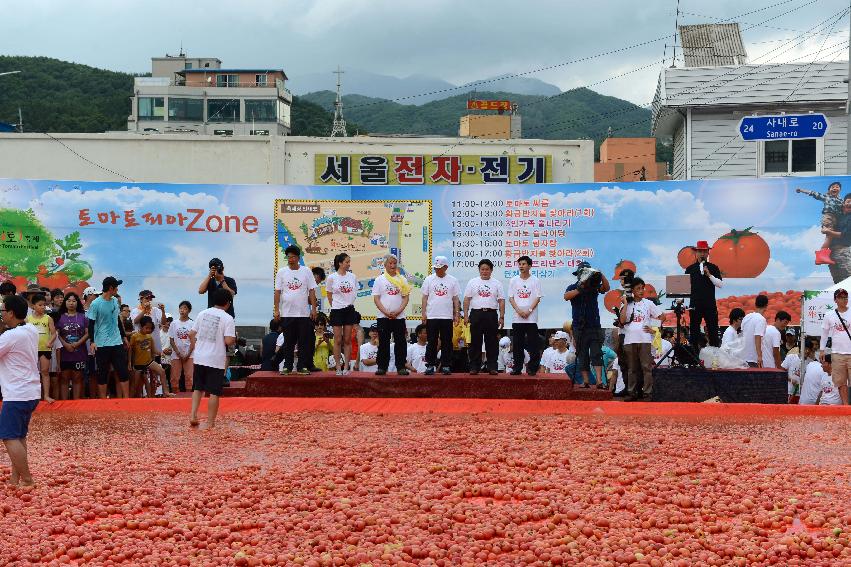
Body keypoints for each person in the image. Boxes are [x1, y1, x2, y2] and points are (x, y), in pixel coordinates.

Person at [0, 295, 41, 487]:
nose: (1, 314)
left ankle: (27, 479)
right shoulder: (30, 329)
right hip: (31, 392)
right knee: (19, 436)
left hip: (17, 393)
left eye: (3, 310)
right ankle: (15, 478)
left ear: (10, 313)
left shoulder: (10, 336)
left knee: (8, 437)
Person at [188, 289, 235, 428]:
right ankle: (210, 422)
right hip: (215, 359)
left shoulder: (202, 313)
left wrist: (196, 347)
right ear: (228, 303)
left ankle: (193, 415)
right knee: (214, 392)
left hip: (200, 357)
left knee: (198, 388)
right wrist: (234, 338)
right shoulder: (228, 318)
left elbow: (191, 334)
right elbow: (228, 341)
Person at [563, 261, 611, 387]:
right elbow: (566, 296)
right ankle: (586, 381)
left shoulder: (594, 286)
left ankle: (599, 381)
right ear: (578, 274)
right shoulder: (573, 287)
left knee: (596, 354)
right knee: (582, 355)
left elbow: (606, 288)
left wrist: (601, 275)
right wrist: (580, 287)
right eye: (582, 273)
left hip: (594, 326)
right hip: (579, 327)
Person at [274, 245, 318, 375]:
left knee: (303, 341)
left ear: (298, 258)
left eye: (293, 257)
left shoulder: (306, 271)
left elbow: (311, 291)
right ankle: (287, 366)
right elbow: (277, 292)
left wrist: (314, 309)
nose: (290, 259)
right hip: (287, 313)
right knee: (288, 341)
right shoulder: (282, 272)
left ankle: (301, 366)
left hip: (303, 313)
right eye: (288, 257)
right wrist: (277, 310)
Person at [619, 278, 664, 400]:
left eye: (642, 288)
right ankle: (632, 393)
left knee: (646, 368)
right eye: (638, 288)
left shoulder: (648, 303)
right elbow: (622, 321)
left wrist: (653, 328)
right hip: (629, 339)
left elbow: (662, 317)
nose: (641, 291)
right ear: (632, 290)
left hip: (645, 339)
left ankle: (647, 393)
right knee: (632, 368)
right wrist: (625, 303)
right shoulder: (626, 303)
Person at [87, 276, 130, 399]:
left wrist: (124, 337)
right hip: (101, 343)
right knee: (103, 372)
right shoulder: (96, 304)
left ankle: (127, 399)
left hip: (116, 342)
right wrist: (92, 341)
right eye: (116, 287)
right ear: (111, 288)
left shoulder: (115, 301)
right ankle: (102, 401)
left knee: (122, 370)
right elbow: (91, 323)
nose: (117, 289)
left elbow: (117, 319)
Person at [463, 259, 505, 375]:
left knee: (491, 341)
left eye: (487, 269)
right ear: (479, 270)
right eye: (482, 269)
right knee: (475, 341)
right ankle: (474, 366)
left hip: (491, 314)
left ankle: (492, 366)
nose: (484, 271)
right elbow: (466, 299)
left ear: (491, 270)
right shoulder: (472, 282)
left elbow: (501, 301)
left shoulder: (497, 283)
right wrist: (465, 315)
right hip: (476, 314)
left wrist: (501, 316)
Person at [372, 254, 411, 376]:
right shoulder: (380, 279)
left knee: (400, 342)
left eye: (395, 263)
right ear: (385, 265)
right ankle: (382, 367)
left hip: (399, 317)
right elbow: (377, 298)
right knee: (383, 342)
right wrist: (385, 312)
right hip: (383, 317)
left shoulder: (402, 280)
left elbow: (405, 298)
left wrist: (398, 311)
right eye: (390, 263)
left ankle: (401, 367)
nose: (393, 265)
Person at [421, 256, 460, 376]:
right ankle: (430, 365)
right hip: (432, 315)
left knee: (447, 341)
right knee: (432, 341)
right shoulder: (429, 279)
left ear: (446, 267)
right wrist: (423, 313)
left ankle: (446, 365)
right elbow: (424, 297)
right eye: (435, 268)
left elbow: (455, 298)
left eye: (439, 268)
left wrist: (457, 314)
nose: (437, 270)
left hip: (446, 316)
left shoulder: (452, 280)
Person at [507, 255, 543, 376]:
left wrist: (529, 310)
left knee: (533, 343)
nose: (521, 266)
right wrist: (518, 311)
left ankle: (532, 368)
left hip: (531, 318)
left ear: (529, 265)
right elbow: (511, 298)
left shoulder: (535, 280)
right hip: (517, 318)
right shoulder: (513, 280)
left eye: (524, 264)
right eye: (520, 264)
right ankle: (517, 368)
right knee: (517, 344)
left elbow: (538, 297)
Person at [684, 240, 723, 348]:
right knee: (694, 331)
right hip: (695, 304)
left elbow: (720, 284)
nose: (702, 254)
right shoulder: (690, 269)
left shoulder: (713, 267)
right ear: (696, 253)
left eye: (704, 251)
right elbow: (684, 287)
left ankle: (715, 355)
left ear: (708, 253)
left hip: (709, 304)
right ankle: (694, 356)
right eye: (700, 251)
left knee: (713, 330)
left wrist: (709, 274)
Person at [326, 253, 359, 376]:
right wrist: (335, 305)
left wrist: (348, 302)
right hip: (337, 310)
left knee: (347, 339)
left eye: (349, 262)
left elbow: (355, 291)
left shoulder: (353, 277)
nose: (348, 264)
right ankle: (338, 367)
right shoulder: (332, 278)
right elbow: (329, 294)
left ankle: (346, 367)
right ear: (340, 263)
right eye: (346, 262)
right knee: (338, 339)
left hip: (349, 310)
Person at [796, 182, 842, 264]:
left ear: (839, 190)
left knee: (833, 237)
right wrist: (801, 190)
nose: (835, 188)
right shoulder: (826, 197)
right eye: (833, 187)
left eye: (837, 187)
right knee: (829, 236)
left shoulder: (841, 200)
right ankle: (821, 256)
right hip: (828, 217)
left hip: (837, 220)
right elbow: (813, 193)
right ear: (829, 190)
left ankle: (824, 255)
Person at [819, 287, 851, 405]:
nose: (844, 299)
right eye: (841, 297)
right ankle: (846, 406)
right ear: (835, 300)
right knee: (840, 381)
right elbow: (824, 333)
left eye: (845, 297)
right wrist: (822, 350)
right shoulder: (829, 315)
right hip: (837, 353)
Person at [56, 292, 88, 400]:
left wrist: (76, 344)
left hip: (79, 353)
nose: (71, 303)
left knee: (77, 378)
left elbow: (88, 333)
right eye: (69, 301)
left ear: (77, 303)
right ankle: (64, 403)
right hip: (64, 353)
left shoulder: (83, 317)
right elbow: (56, 334)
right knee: (64, 378)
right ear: (65, 303)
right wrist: (65, 344)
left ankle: (76, 404)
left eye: (74, 301)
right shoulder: (59, 317)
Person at [129, 316, 169, 398]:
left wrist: (161, 353)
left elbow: (153, 350)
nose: (148, 330)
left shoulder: (149, 337)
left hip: (148, 361)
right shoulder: (135, 336)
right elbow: (130, 350)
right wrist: (129, 362)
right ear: (141, 326)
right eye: (146, 328)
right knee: (135, 385)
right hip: (138, 364)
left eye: (150, 328)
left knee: (161, 371)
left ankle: (166, 392)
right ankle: (130, 400)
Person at [26, 294, 56, 403]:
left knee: (45, 372)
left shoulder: (48, 318)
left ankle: (46, 396)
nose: (43, 307)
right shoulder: (28, 319)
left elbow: (54, 334)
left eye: (44, 305)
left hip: (45, 349)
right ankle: (33, 396)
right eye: (40, 305)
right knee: (32, 373)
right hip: (32, 349)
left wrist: (50, 342)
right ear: (33, 306)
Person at [168, 301, 194, 392]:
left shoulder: (192, 323)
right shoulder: (174, 323)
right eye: (181, 308)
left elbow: (194, 341)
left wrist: (188, 354)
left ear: (189, 311)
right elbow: (171, 340)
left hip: (189, 355)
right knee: (174, 377)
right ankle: (175, 396)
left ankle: (188, 396)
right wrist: (178, 353)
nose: (182, 310)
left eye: (185, 308)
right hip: (176, 354)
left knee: (189, 377)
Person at [741, 295, 769, 368]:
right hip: (753, 358)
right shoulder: (761, 319)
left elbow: (741, 334)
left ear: (755, 304)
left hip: (743, 356)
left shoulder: (747, 317)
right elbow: (757, 337)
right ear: (766, 305)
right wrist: (759, 356)